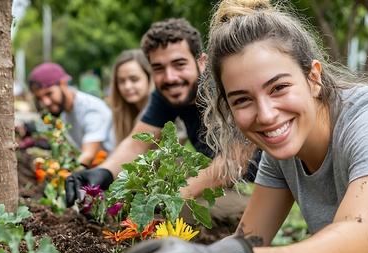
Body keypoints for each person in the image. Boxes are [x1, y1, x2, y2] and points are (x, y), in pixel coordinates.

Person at [100, 0, 368, 253]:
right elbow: (249, 241)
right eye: (242, 99)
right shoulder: (283, 152)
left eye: (279, 87)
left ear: (313, 77)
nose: (266, 115)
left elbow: (364, 246)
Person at [66, 18, 258, 232]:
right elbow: (137, 143)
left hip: (260, 187)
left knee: (171, 217)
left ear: (202, 62)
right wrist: (103, 173)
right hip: (222, 182)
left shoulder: (225, 86)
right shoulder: (167, 94)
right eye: (158, 68)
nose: (170, 77)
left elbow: (234, 160)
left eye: (179, 64)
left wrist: (175, 197)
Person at [29, 62, 116, 167]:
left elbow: (88, 155)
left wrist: (69, 173)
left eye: (49, 93)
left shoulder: (91, 109)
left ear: (63, 83)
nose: (46, 102)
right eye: (40, 98)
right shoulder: (65, 112)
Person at [109, 48, 187, 145]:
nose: (127, 86)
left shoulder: (166, 109)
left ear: (150, 78)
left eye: (134, 79)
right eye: (121, 81)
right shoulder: (120, 114)